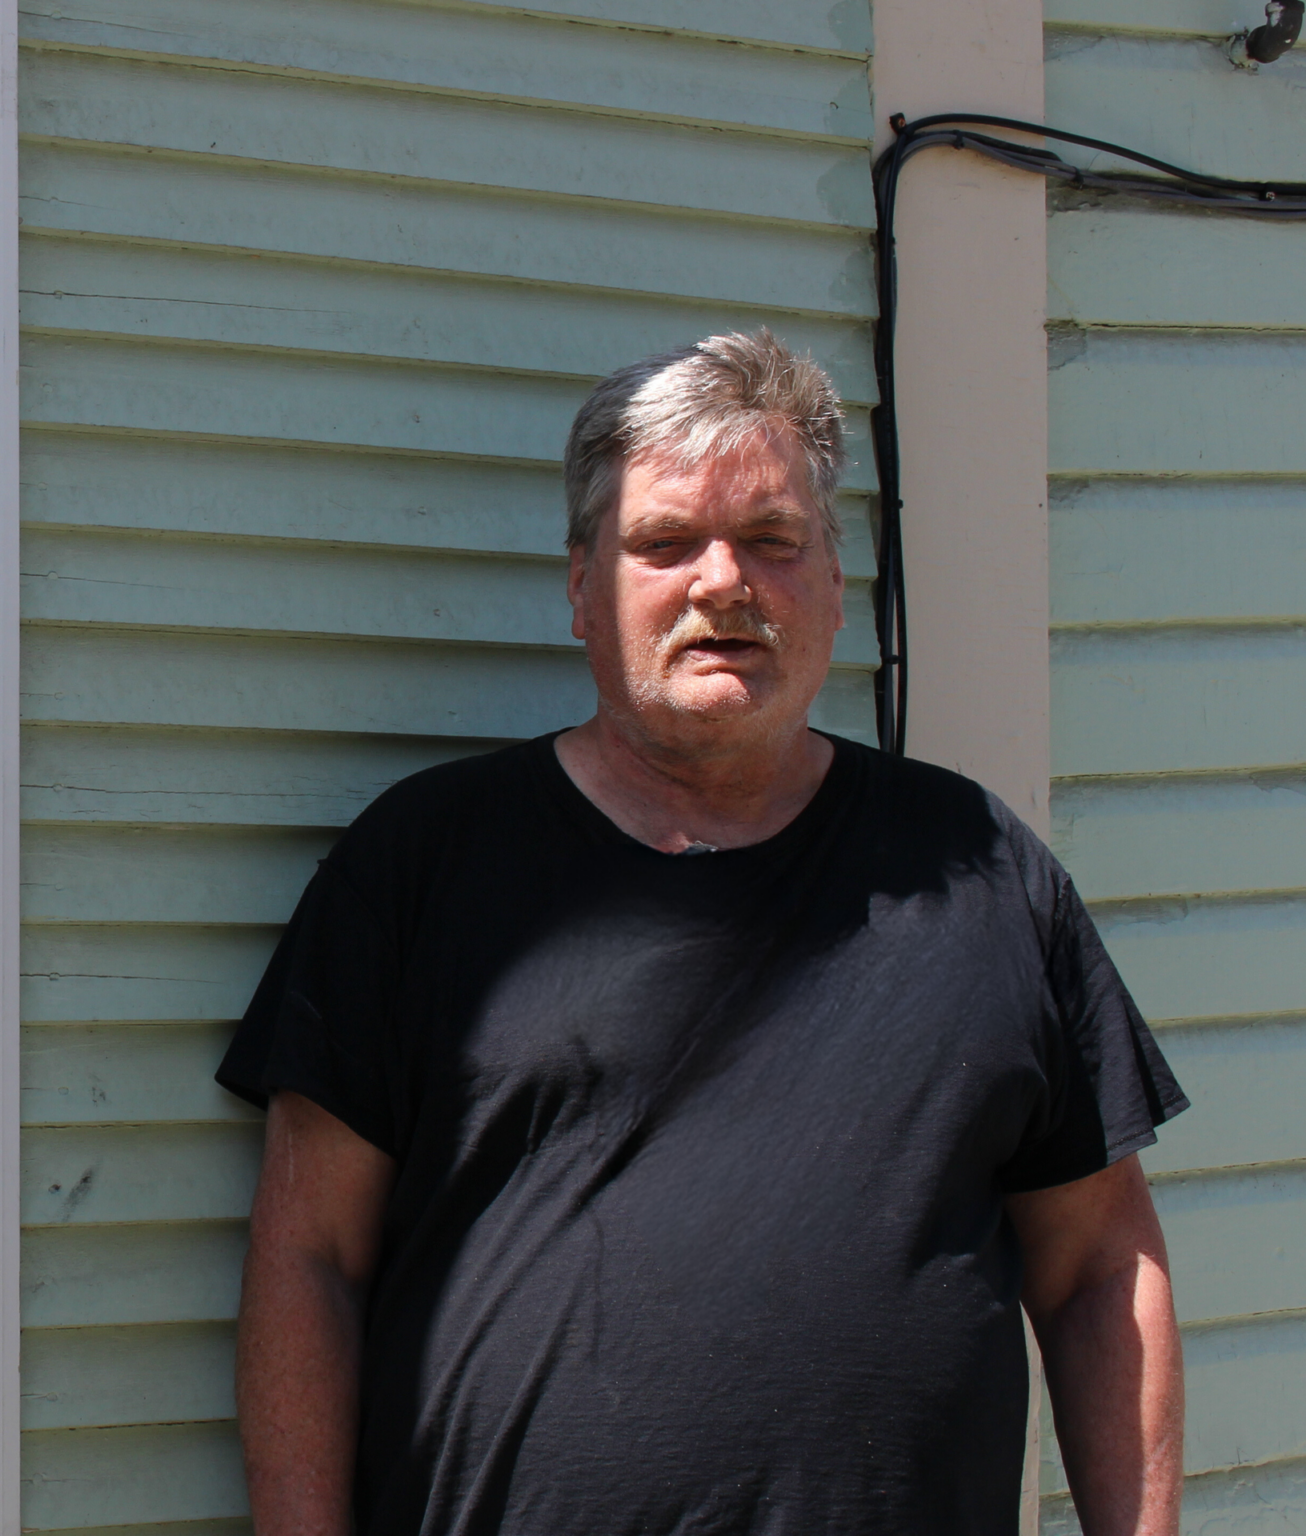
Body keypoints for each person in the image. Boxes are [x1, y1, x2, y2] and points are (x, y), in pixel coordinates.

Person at [218, 330, 1188, 1536]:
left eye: (772, 542)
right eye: (665, 543)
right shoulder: (422, 864)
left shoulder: (983, 871)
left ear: (835, 586)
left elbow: (1102, 1264)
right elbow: (309, 1260)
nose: (721, 582)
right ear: (582, 590)